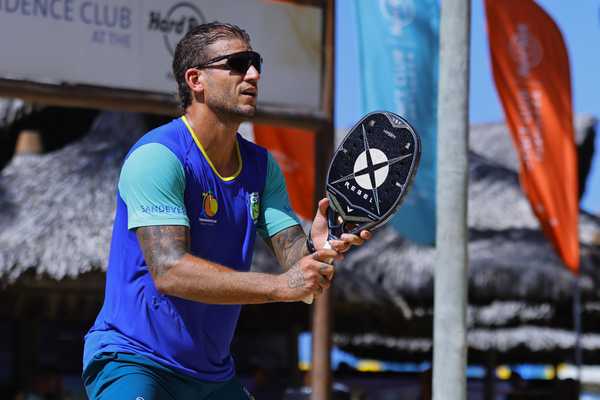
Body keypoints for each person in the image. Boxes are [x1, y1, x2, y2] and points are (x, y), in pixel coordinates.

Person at [82, 22, 370, 400]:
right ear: (195, 79)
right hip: (135, 361)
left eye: (256, 63)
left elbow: (294, 259)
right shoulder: (158, 156)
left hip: (211, 375)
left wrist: (322, 246)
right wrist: (280, 287)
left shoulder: (261, 166)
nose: (253, 74)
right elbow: (170, 271)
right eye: (237, 63)